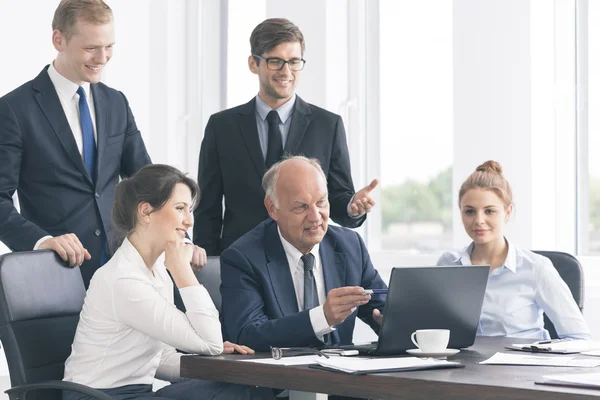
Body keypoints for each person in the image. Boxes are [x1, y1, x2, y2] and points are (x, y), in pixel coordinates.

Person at [0, 0, 206, 288]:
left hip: (126, 268)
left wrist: (179, 236)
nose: (103, 57)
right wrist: (42, 241)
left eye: (109, 46)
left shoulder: (115, 102)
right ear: (58, 39)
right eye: (91, 48)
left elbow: (149, 183)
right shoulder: (14, 109)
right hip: (56, 272)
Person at [62, 164, 274, 400]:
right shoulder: (124, 279)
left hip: (135, 394)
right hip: (96, 396)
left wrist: (208, 359)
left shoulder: (156, 270)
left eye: (190, 210)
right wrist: (183, 271)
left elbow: (160, 357)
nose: (189, 221)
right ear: (145, 212)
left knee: (244, 388)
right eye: (180, 208)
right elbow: (212, 343)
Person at [194, 18, 379, 256]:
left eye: (294, 62)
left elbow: (337, 197)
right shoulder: (221, 126)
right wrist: (207, 262)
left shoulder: (328, 125)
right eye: (275, 62)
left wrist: (354, 208)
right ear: (254, 64)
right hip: (240, 258)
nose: (286, 72)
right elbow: (207, 207)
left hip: (306, 259)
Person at [220, 156, 387, 353]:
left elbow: (383, 307)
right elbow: (246, 334)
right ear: (272, 208)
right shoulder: (242, 257)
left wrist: (392, 324)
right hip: (276, 379)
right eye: (301, 207)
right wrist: (321, 317)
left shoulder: (350, 246)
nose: (315, 217)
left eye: (321, 202)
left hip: (343, 377)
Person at [437, 160, 591, 340]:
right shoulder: (448, 264)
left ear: (508, 212)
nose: (478, 220)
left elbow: (579, 338)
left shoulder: (536, 268)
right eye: (469, 211)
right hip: (464, 366)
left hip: (521, 364)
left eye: (489, 211)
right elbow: (433, 329)